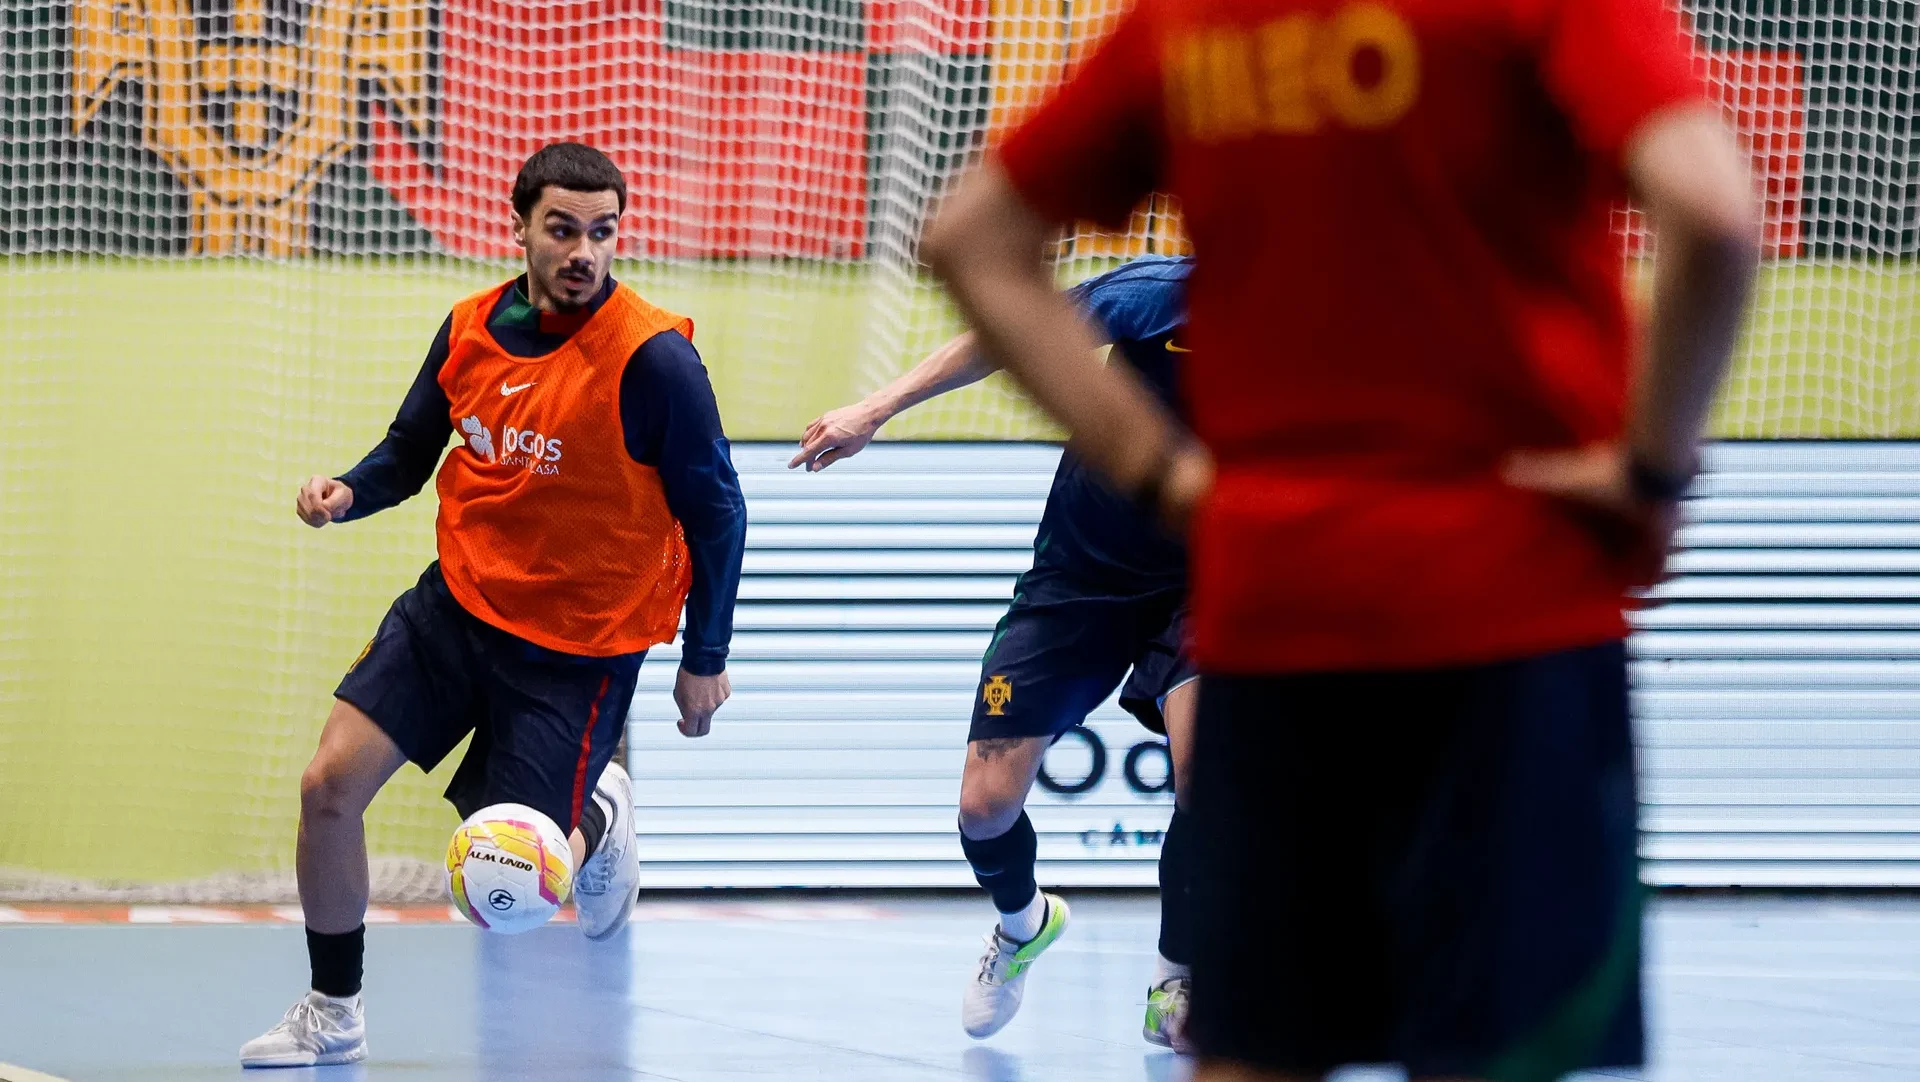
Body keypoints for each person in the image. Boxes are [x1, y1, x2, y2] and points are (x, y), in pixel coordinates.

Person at [921, 0, 1760, 1078]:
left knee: (1257, 1044)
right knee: (1501, 1044)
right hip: (1508, 598)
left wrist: (1165, 476)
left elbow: (969, 238)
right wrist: (1651, 463)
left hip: (1279, 599)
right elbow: (1713, 211)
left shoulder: (1193, 24)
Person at [241, 142, 747, 1069]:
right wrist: (348, 492)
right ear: (521, 228)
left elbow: (719, 511)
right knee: (327, 789)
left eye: (603, 232)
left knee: (510, 887)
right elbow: (409, 452)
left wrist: (705, 655)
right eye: (562, 229)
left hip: (579, 646)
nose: (583, 251)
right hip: (457, 606)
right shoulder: (470, 328)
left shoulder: (653, 361)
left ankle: (601, 819)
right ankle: (333, 1009)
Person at [792, 255, 1201, 1048]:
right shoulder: (1159, 294)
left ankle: (1175, 977)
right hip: (1081, 578)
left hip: (1209, 575)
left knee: (1205, 772)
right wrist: (875, 409)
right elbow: (1011, 339)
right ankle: (1023, 924)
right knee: (984, 808)